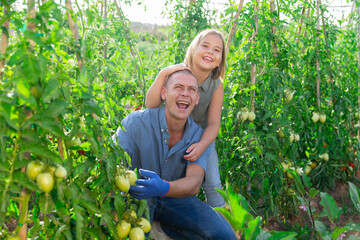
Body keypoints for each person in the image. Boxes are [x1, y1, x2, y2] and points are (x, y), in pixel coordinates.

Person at [113, 70, 236, 239]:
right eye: (178, 87)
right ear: (164, 93)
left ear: (197, 98)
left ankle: (163, 228)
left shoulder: (199, 137)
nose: (185, 93)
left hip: (174, 199)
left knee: (224, 235)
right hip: (137, 198)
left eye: (192, 89)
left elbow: (193, 183)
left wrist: (164, 187)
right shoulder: (135, 123)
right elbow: (112, 162)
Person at [145, 29, 226, 208]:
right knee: (163, 173)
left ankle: (225, 225)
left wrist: (202, 145)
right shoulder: (176, 73)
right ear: (193, 49)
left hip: (199, 138)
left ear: (221, 59)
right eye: (205, 46)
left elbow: (213, 124)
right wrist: (163, 74)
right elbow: (151, 105)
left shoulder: (216, 86)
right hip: (172, 132)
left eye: (216, 50)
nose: (210, 52)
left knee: (212, 183)